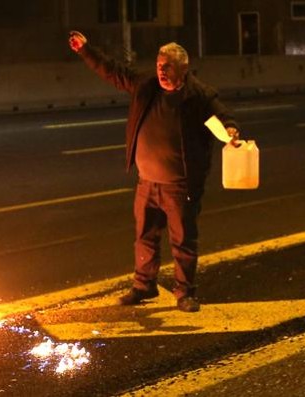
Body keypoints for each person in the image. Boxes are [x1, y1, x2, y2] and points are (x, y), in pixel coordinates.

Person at [68, 31, 240, 312]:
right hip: (147, 183)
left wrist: (231, 129)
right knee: (145, 238)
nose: (161, 70)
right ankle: (144, 286)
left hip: (179, 186)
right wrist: (86, 50)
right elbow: (113, 71)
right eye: (159, 64)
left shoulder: (199, 97)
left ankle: (185, 293)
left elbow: (223, 117)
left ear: (183, 68)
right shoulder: (146, 84)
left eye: (167, 66)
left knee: (183, 241)